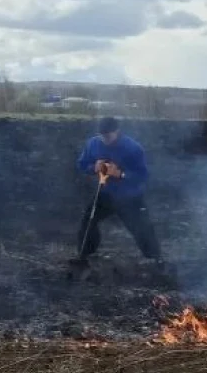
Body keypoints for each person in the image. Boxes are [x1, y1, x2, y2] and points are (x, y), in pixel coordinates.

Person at [71, 116, 165, 271]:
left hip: (130, 196)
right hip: (105, 194)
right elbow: (82, 164)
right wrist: (93, 168)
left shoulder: (133, 148)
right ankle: (83, 256)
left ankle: (157, 259)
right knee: (88, 221)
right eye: (101, 136)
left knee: (142, 227)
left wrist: (121, 174)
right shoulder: (93, 143)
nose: (104, 139)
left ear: (117, 131)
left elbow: (143, 175)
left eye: (108, 136)